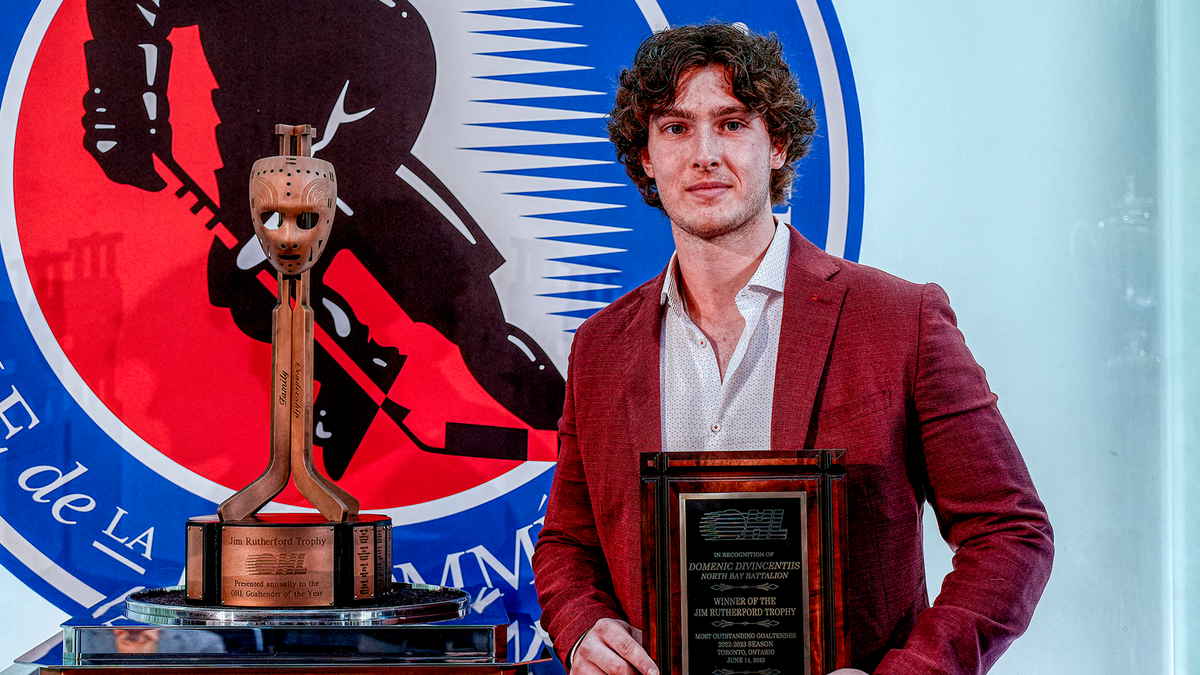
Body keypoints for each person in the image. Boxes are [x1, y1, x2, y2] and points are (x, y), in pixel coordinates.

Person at [531, 23, 1053, 675]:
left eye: (731, 123)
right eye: (674, 128)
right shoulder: (601, 347)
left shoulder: (899, 319)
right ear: (645, 156)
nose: (703, 155)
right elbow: (567, 542)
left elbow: (1010, 533)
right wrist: (582, 627)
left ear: (776, 142)